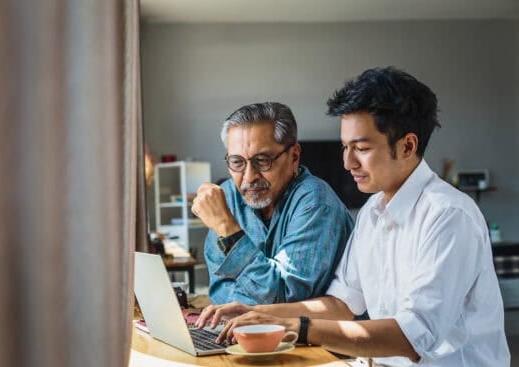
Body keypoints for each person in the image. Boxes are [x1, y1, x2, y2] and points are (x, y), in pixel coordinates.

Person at [196, 68, 510, 366]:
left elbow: (413, 337)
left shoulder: (448, 216)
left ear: (407, 146)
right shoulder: (371, 213)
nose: (348, 163)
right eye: (345, 147)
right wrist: (258, 312)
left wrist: (297, 327)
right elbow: (341, 306)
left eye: (360, 148)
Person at [191, 102, 354, 305]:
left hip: (313, 335)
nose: (249, 177)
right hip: (244, 331)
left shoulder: (316, 202)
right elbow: (221, 290)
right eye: (237, 162)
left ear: (294, 157)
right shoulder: (227, 197)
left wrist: (228, 229)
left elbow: (284, 297)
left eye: (262, 160)